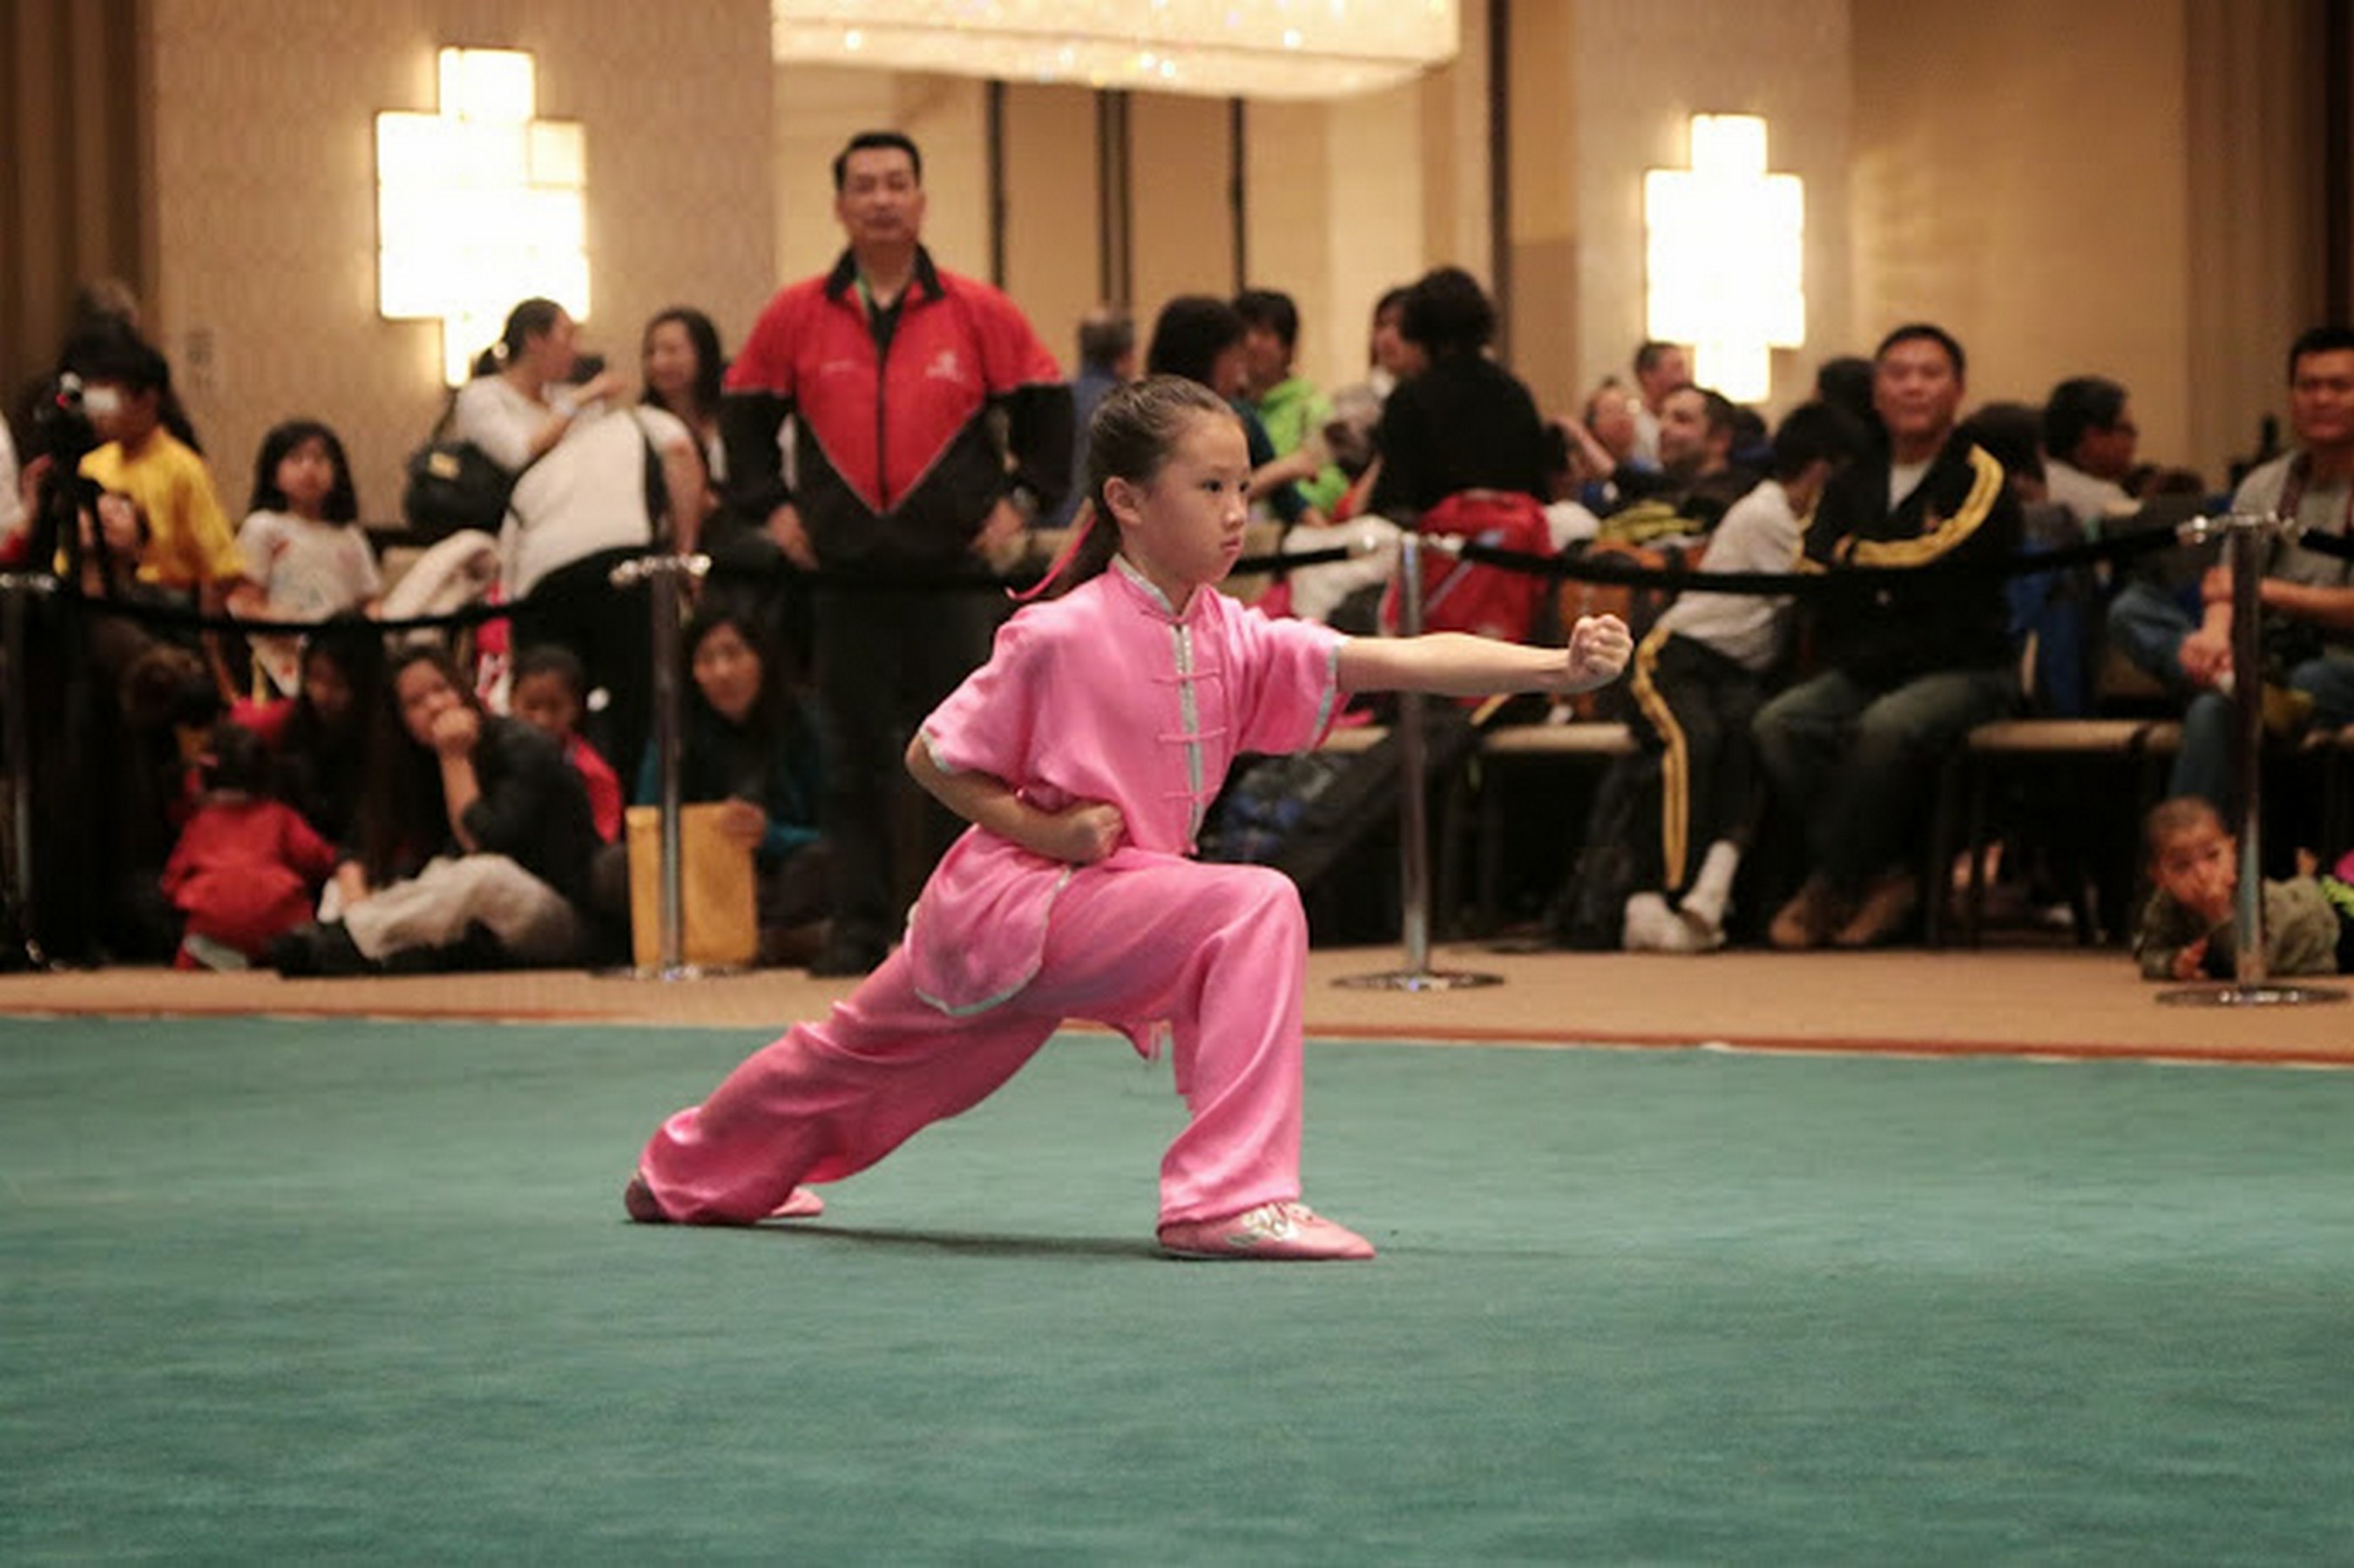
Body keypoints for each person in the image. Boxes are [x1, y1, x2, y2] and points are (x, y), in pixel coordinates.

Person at [624, 375, 1634, 1259]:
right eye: (1210, 488)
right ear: (1126, 501)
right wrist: (1050, 834)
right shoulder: (1056, 633)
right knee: (877, 1050)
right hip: (1013, 904)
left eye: (1243, 488)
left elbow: (1395, 659)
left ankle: (689, 1169)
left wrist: (1556, 666)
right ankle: (1225, 1199)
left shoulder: (1234, 634)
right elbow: (932, 756)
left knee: (872, 1055)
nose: (1236, 513)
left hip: (1106, 906)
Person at [720, 129, 1072, 977]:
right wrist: (772, 511)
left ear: (920, 199)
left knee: (967, 761)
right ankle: (857, 930)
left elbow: (1051, 415)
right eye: (865, 186)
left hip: (951, 578)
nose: (881, 199)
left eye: (896, 183)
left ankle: (964, 931)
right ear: (839, 205)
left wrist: (1021, 502)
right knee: (849, 766)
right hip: (843, 581)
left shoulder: (978, 310)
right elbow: (742, 421)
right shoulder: (795, 314)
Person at [1755, 322, 2024, 949]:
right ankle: (1886, 874)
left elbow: (1943, 554)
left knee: (1886, 728)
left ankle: (1830, 882)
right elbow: (1812, 562)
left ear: (1958, 389)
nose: (1913, 387)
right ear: (1877, 392)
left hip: (1966, 668)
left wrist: (1856, 556)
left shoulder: (1979, 476)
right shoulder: (1851, 478)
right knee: (1780, 724)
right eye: (1898, 374)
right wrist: (1862, 564)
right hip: (1869, 666)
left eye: (1930, 374)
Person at [1619, 402, 1870, 951]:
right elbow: (1821, 583)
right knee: (1691, 744)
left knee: (1748, 746)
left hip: (1737, 672)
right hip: (1678, 655)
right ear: (1821, 472)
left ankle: (1711, 895)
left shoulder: (1795, 520)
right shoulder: (1768, 515)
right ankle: (1658, 893)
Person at [2107, 326, 2354, 812]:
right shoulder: (2267, 483)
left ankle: (2185, 860)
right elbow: (2225, 585)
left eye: (2339, 386)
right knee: (2132, 610)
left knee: (2230, 706)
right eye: (2308, 386)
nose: (2322, 399)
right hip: (2259, 653)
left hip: (2336, 663)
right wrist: (2214, 639)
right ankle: (2233, 681)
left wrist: (2265, 592)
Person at [267, 645, 599, 975]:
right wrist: (353, 884)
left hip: (554, 915)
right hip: (468, 915)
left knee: (482, 876)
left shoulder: (520, 746)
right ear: (400, 720)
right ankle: (355, 943)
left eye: (442, 689)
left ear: (462, 690)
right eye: (415, 703)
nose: (436, 706)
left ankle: (346, 942)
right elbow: (358, 845)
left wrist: (454, 757)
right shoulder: (409, 761)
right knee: (344, 886)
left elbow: (481, 843)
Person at [626, 607, 828, 964]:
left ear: (762, 658)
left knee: (823, 862)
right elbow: (647, 820)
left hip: (778, 876)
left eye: (734, 655)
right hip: (699, 879)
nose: (722, 672)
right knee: (613, 867)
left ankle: (767, 940)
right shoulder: (676, 728)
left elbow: (836, 831)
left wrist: (769, 834)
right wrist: (706, 829)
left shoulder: (805, 723)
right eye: (706, 660)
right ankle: (776, 943)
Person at [161, 720, 339, 970]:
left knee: (191, 944)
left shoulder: (200, 824)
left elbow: (172, 883)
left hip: (214, 923)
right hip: (279, 919)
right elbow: (319, 859)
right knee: (305, 938)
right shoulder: (279, 816)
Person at [2134, 795, 2354, 981]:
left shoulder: (2252, 895)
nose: (2202, 874)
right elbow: (2149, 954)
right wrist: (2173, 964)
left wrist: (2219, 914)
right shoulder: (2164, 906)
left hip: (2329, 923)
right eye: (2182, 866)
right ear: (2159, 876)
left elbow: (2256, 964)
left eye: (2213, 856)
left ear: (2233, 852)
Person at [236, 419, 381, 698]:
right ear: (273, 473)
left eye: (319, 459)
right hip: (282, 652)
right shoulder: (263, 527)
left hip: (344, 652)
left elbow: (369, 599)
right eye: (296, 459)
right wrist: (286, 623)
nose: (309, 469)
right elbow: (245, 601)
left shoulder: (349, 535)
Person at [1235, 287, 1350, 515]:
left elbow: (1331, 486)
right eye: (1243, 333)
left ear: (1287, 348)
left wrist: (1279, 500)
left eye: (1264, 333)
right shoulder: (1224, 406)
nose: (1251, 343)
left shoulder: (1311, 408)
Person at [510, 643, 622, 844]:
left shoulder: (593, 774)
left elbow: (603, 842)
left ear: (575, 709)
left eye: (555, 707)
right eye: (531, 706)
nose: (541, 720)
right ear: (511, 702)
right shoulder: (491, 756)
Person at [1044, 307, 1135, 531]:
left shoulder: (1051, 399)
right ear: (1125, 357)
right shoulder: (1127, 408)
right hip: (1094, 534)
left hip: (1043, 536)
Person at [639, 305, 729, 492]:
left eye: (671, 351)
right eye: (650, 352)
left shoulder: (734, 415)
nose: (658, 363)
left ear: (703, 354)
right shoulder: (643, 424)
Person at [2041, 375, 2138, 534]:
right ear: (2092, 436)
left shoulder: (2037, 486)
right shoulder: (2105, 501)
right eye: (2127, 430)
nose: (2133, 441)